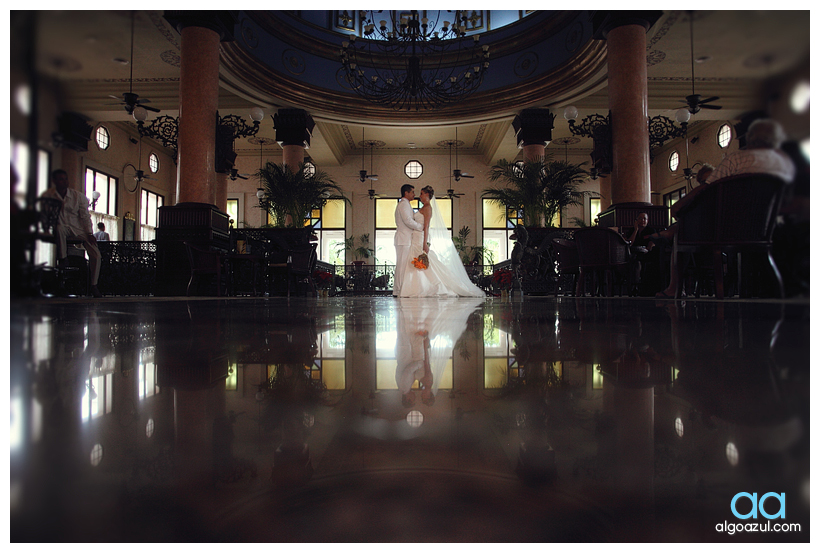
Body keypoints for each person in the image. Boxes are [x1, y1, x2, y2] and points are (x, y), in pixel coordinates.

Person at [654, 119, 796, 299]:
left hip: (731, 231)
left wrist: (678, 206)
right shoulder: (784, 164)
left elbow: (708, 188)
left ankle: (674, 288)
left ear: (750, 139)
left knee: (682, 233)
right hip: (768, 231)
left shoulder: (736, 159)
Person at [399, 185, 485, 297]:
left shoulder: (428, 208)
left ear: (427, 195)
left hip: (420, 238)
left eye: (421, 193)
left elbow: (426, 227)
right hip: (415, 238)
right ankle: (417, 286)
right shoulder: (424, 207)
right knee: (418, 261)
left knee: (423, 261)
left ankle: (429, 286)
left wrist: (425, 243)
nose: (419, 196)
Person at [41, 169, 103, 297]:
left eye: (65, 179)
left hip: (79, 229)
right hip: (62, 228)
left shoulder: (77, 196)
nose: (64, 182)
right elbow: (45, 215)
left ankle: (93, 285)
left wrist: (90, 233)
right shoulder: (49, 196)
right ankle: (63, 259)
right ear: (54, 181)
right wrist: (46, 230)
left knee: (96, 255)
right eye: (60, 179)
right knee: (59, 227)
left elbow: (85, 216)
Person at [393, 184, 425, 296]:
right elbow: (407, 220)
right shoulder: (403, 204)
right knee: (402, 265)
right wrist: (420, 227)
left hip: (405, 239)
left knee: (403, 265)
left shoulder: (405, 204)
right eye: (412, 192)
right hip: (403, 239)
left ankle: (400, 289)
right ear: (406, 193)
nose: (414, 195)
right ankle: (399, 290)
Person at [625, 213, 660, 295]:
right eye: (640, 219)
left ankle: (639, 286)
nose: (643, 221)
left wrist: (648, 248)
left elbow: (652, 244)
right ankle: (634, 286)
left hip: (647, 254)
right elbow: (629, 243)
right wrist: (636, 230)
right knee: (633, 261)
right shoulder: (631, 230)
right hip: (633, 253)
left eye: (645, 219)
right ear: (636, 221)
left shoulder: (651, 231)